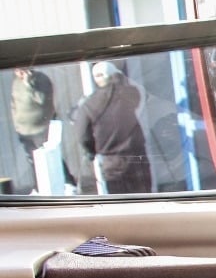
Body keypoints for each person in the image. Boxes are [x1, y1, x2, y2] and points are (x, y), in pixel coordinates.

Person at [73, 62, 152, 194]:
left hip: (112, 163)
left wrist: (91, 151)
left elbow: (82, 136)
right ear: (113, 75)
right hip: (137, 158)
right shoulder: (128, 94)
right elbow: (142, 94)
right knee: (146, 199)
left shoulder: (88, 105)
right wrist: (119, 77)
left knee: (119, 202)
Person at [10, 66, 56, 191]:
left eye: (21, 70)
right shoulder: (16, 83)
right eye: (16, 70)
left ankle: (69, 183)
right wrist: (16, 124)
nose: (18, 73)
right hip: (24, 130)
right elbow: (14, 104)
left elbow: (42, 99)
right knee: (33, 161)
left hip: (40, 128)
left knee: (49, 158)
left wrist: (28, 84)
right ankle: (38, 188)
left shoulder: (41, 79)